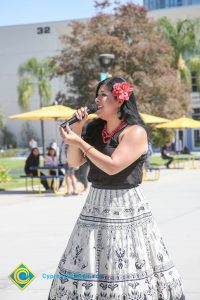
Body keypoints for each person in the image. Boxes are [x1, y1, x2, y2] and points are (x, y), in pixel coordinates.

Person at [48, 77, 185, 299]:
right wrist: (79, 129)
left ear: (120, 100)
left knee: (125, 260)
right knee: (91, 260)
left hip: (126, 204)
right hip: (95, 202)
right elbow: (74, 163)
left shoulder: (135, 132)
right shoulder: (94, 129)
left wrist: (80, 142)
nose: (97, 99)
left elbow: (113, 167)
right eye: (97, 94)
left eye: (103, 94)